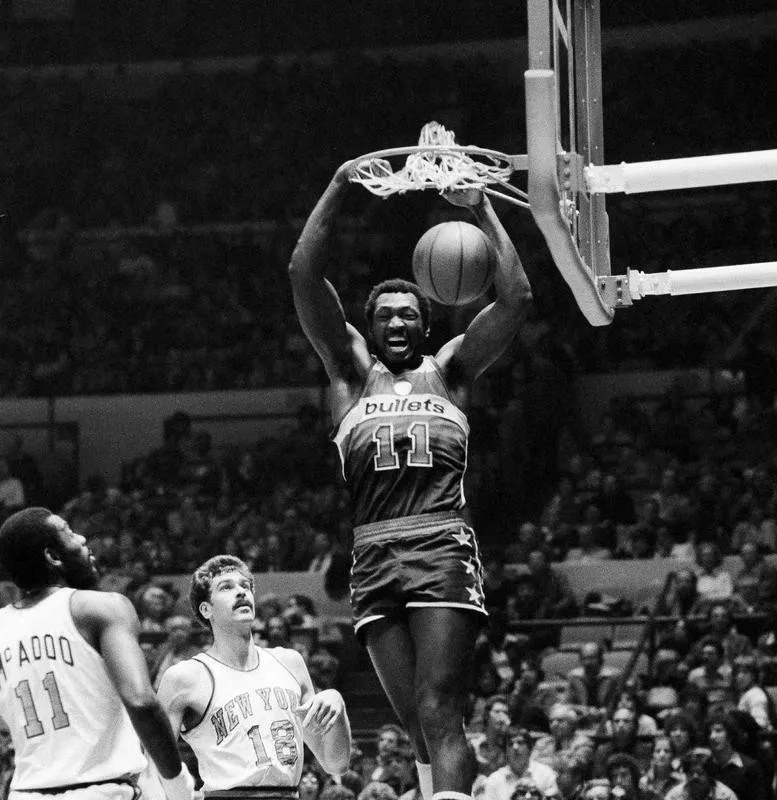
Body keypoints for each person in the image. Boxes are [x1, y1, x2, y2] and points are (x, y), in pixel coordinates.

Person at [289, 159, 532, 800]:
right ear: (370, 328)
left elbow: (517, 299)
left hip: (440, 546)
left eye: (409, 314)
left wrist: (481, 208)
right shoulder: (348, 378)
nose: (397, 322)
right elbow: (302, 274)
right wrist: (339, 184)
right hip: (372, 553)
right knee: (414, 721)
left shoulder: (450, 371)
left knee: (436, 706)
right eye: (386, 315)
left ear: (426, 326)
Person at [0, 507, 194, 800]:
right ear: (53, 556)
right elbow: (141, 701)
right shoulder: (100, 608)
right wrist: (179, 785)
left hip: (25, 792)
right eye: (69, 532)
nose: (81, 538)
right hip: (102, 790)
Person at [157, 555, 352, 794]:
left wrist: (337, 702)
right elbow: (155, 765)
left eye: (245, 586)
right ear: (206, 609)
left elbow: (335, 763)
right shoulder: (185, 677)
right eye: (226, 587)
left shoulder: (290, 662)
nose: (241, 592)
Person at [483, 728, 559, 800]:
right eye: (510, 744)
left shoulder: (546, 774)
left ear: (530, 748)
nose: (515, 747)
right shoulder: (494, 780)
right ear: (505, 752)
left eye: (520, 743)